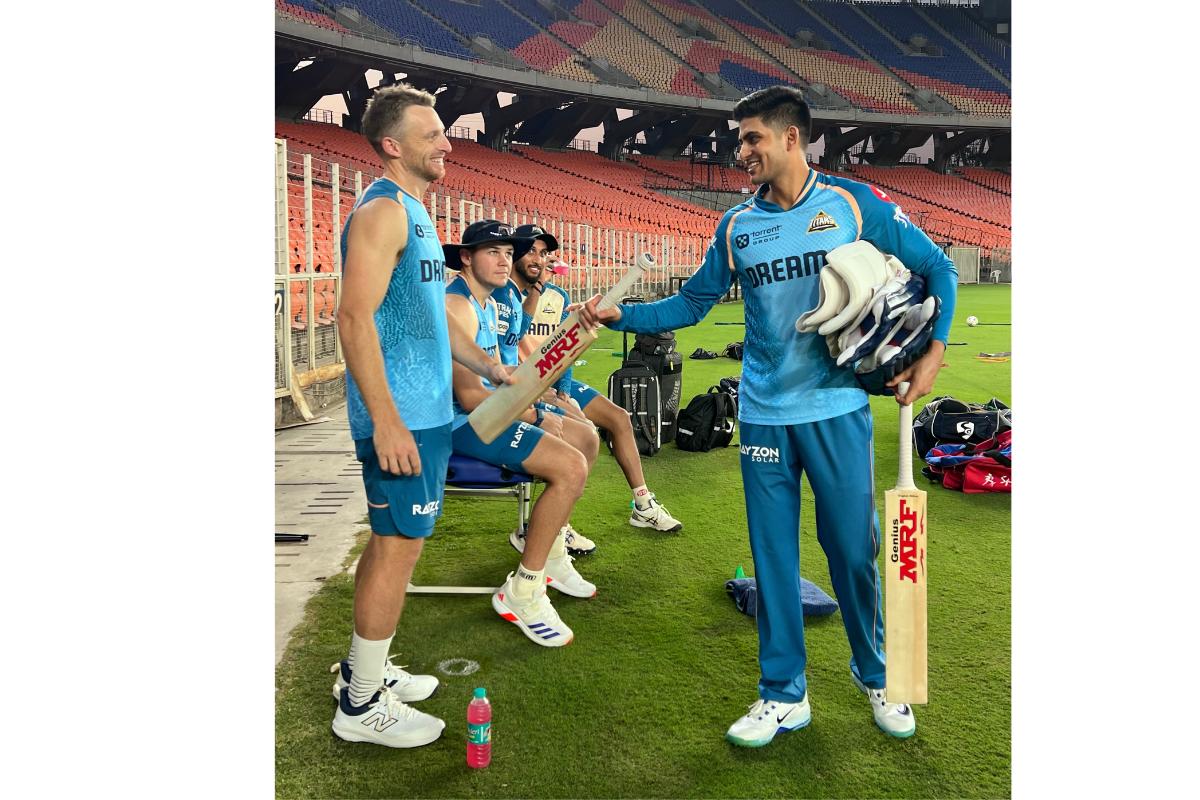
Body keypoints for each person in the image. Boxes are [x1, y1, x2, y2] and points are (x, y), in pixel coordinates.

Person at [579, 85, 957, 745]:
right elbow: (693, 304)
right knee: (773, 555)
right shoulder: (737, 226)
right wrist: (625, 314)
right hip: (763, 415)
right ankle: (784, 693)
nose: (740, 151)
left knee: (852, 553)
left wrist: (932, 354)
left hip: (837, 408)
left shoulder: (852, 204)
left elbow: (939, 270)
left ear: (791, 138)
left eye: (751, 138)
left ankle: (877, 675)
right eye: (739, 139)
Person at [329, 84, 515, 749]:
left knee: (391, 543)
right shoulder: (383, 213)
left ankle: (365, 670)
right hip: (400, 416)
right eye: (432, 132)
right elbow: (352, 317)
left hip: (425, 412)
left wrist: (491, 368)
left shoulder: (416, 211)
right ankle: (360, 706)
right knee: (400, 547)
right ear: (391, 145)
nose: (447, 142)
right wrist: (385, 420)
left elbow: (431, 317)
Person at [443, 220, 601, 647]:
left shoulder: (489, 303)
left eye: (507, 253)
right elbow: (473, 397)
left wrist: (542, 398)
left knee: (586, 438)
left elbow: (502, 378)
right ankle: (524, 588)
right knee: (569, 466)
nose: (504, 260)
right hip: (463, 423)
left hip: (489, 412)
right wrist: (532, 416)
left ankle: (550, 552)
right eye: (492, 252)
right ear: (466, 257)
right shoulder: (457, 305)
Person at [511, 224, 683, 538]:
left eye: (546, 253)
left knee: (618, 417)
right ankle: (554, 528)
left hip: (554, 380)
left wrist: (563, 389)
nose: (542, 259)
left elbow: (567, 348)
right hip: (525, 384)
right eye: (533, 252)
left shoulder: (560, 296)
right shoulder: (510, 294)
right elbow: (515, 337)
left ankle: (643, 505)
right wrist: (535, 290)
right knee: (580, 433)